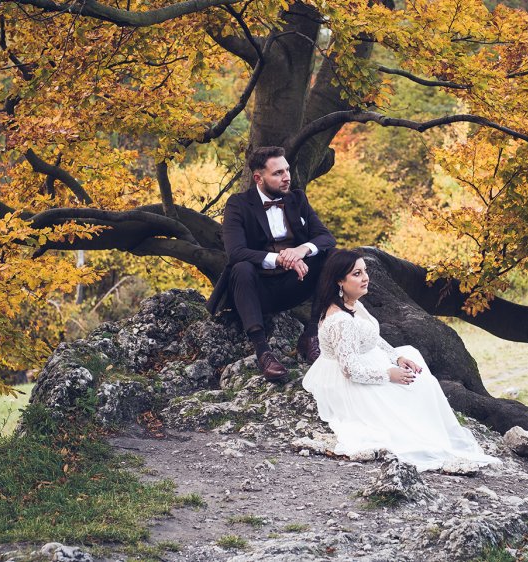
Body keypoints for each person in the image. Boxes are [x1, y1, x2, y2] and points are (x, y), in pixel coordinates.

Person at [302, 249, 501, 472]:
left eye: (365, 271)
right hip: (350, 381)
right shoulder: (339, 320)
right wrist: (389, 375)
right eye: (356, 274)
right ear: (340, 280)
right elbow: (350, 370)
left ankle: (434, 428)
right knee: (407, 398)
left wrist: (397, 357)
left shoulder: (353, 303)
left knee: (416, 366)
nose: (365, 277)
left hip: (368, 361)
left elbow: (372, 336)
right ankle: (428, 436)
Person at [206, 146, 336, 381]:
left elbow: (326, 237)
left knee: (330, 257)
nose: (286, 177)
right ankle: (263, 352)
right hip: (256, 292)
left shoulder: (297, 198)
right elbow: (236, 252)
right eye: (277, 173)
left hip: (292, 285)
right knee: (241, 267)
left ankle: (310, 335)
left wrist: (299, 250)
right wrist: (279, 259)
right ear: (258, 178)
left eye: (287, 170)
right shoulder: (238, 204)